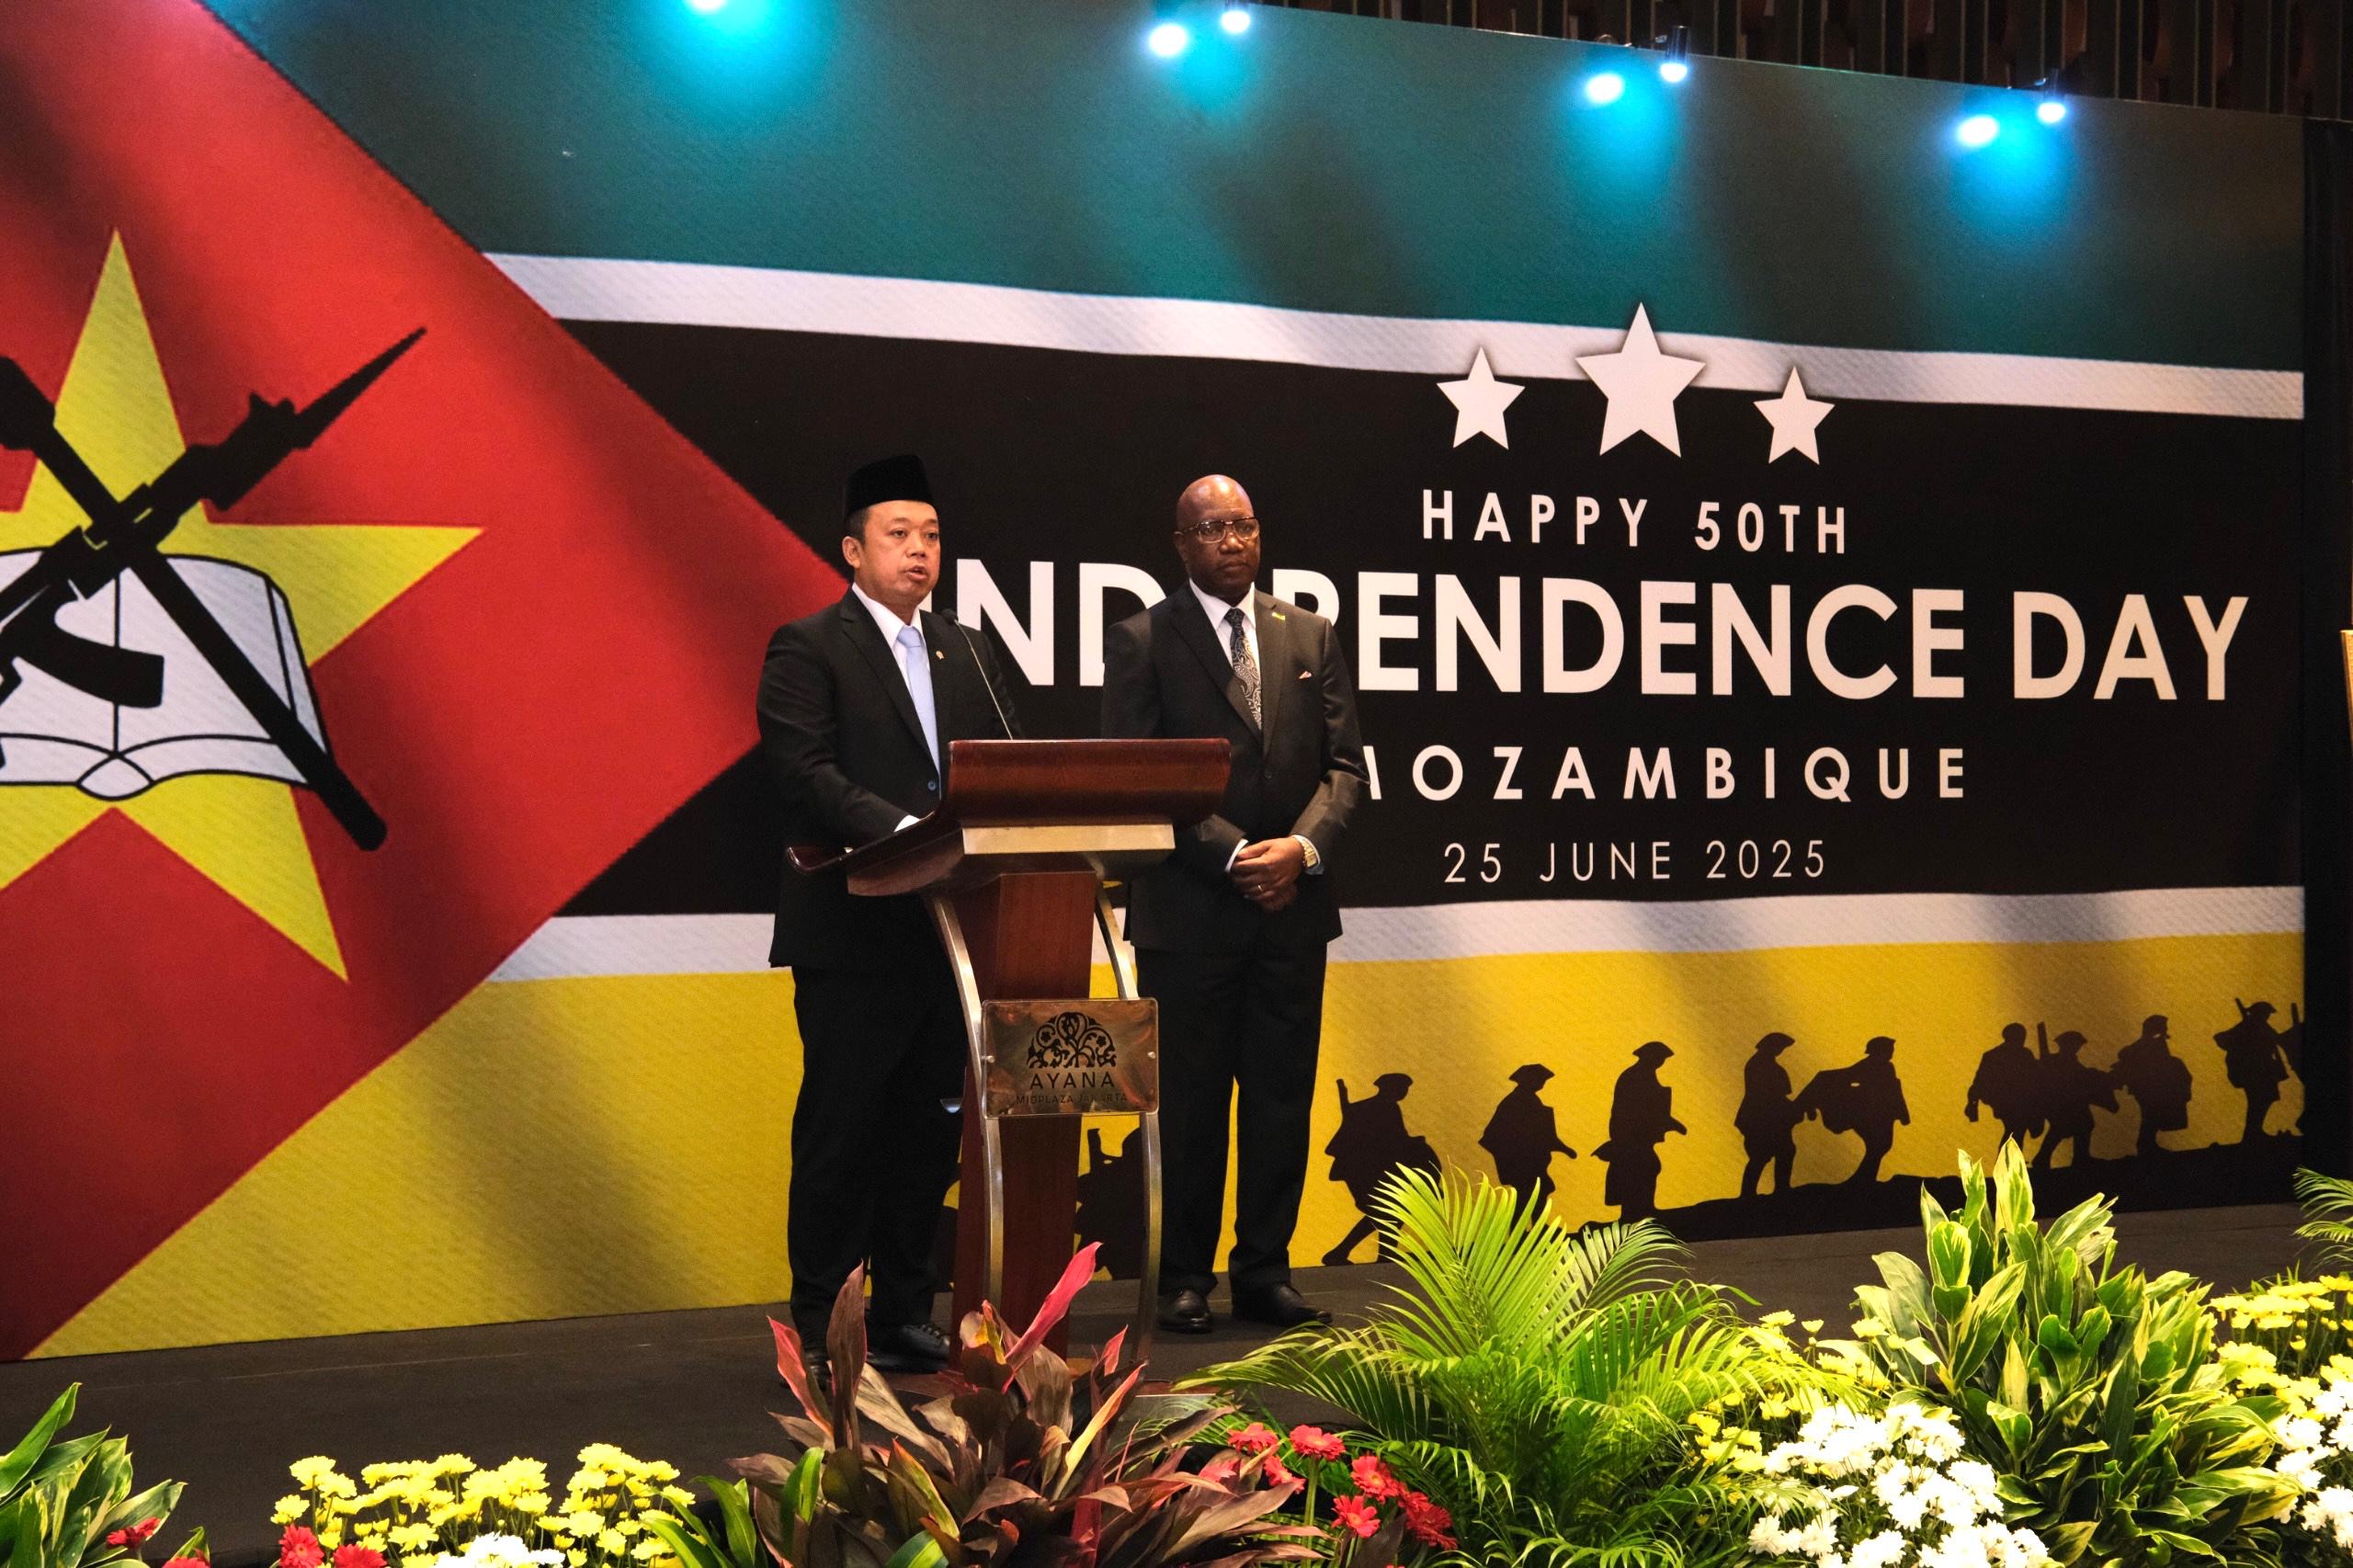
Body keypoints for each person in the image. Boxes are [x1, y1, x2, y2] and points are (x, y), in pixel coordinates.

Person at [757, 454, 1021, 1381]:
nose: (919, 551)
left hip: (948, 934)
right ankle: (824, 1321)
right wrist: (909, 833)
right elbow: (805, 773)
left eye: (932, 536)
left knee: (924, 1129)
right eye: (899, 534)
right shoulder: (808, 646)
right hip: (853, 928)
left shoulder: (968, 650)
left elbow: (1004, 759)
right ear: (852, 550)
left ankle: (907, 1308)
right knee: (845, 1125)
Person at [1102, 473, 1367, 1334]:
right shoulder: (1143, 640)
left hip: (1292, 910)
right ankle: (1184, 1277)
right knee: (1191, 1104)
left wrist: (1302, 850)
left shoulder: (1309, 632)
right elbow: (1138, 777)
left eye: (1244, 525)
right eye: (1212, 528)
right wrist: (1234, 852)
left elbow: (1346, 769)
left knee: (1281, 1100)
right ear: (1181, 545)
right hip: (1189, 915)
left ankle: (1265, 1272)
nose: (1233, 541)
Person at [1323, 1074, 1440, 1264]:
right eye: (1402, 1088)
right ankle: (1373, 1254)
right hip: (1367, 1170)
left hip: (1363, 1169)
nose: (1404, 1092)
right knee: (1389, 1210)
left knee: (1384, 1212)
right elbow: (1394, 1141)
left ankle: (1349, 1252)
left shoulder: (1368, 1107)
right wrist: (1416, 1144)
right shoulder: (1386, 1108)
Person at [1799, 1036, 1909, 1185]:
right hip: (1870, 1113)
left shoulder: (1887, 1067)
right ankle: (1865, 1179)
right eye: (1889, 1049)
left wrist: (1902, 1113)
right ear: (1879, 1051)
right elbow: (1843, 1076)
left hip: (1882, 1113)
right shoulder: (1869, 1065)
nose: (1891, 1052)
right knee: (1879, 1145)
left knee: (1880, 1146)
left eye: (1892, 1049)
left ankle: (1865, 1178)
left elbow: (1893, 1090)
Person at [1596, 1041, 1685, 1220]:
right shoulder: (1633, 1076)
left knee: (1646, 1167)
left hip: (1640, 1136)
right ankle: (1634, 1212)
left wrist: (1668, 1122)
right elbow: (1633, 1109)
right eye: (1660, 1057)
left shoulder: (1645, 1075)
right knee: (1640, 1168)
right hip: (1631, 1136)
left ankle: (1643, 1208)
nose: (1661, 1061)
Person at [1480, 1063, 1577, 1215]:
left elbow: (1545, 1134)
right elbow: (1495, 1134)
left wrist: (1564, 1149)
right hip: (1522, 1163)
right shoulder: (1515, 1102)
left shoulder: (1530, 1100)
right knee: (1530, 1194)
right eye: (1540, 1079)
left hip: (1532, 1162)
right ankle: (1525, 1225)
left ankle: (1534, 1224)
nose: (1542, 1083)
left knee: (1537, 1192)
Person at [2030, 1028, 2116, 1170]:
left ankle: (2070, 1157)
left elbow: (2082, 1075)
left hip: (2071, 1103)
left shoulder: (2067, 1060)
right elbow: (2074, 1077)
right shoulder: (2057, 1061)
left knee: (2075, 1127)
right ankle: (2047, 1157)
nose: (2078, 1047)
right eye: (2076, 1044)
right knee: (2065, 1128)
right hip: (2062, 1103)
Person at [2111, 1014, 2193, 1156]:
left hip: (2154, 1085)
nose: (2165, 1029)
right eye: (2163, 1027)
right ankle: (2145, 1145)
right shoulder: (2146, 1044)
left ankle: (2148, 1144)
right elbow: (2129, 1055)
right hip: (2148, 1087)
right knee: (2150, 1115)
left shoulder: (2152, 1042)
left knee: (2152, 1116)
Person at [2215, 1000, 2293, 1143]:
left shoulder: (2260, 1026)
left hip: (2263, 1071)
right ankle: (2253, 1133)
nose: (2267, 1016)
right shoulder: (2247, 1026)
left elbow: (2277, 1039)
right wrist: (2247, 1045)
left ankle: (2254, 1131)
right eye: (2266, 1013)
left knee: (2263, 1100)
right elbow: (2220, 1038)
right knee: (2258, 1101)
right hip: (2254, 1072)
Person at [1733, 1032, 1801, 1199]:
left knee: (1781, 1152)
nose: (1780, 1050)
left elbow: (1779, 1096)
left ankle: (1778, 1189)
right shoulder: (1761, 1066)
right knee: (1763, 1155)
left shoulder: (1766, 1065)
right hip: (1761, 1118)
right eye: (1780, 1047)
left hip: (1768, 1118)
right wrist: (1794, 1108)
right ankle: (1751, 1194)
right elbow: (1770, 1095)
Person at [1966, 1023, 2043, 1156]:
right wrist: (1973, 1102)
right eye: (2019, 1037)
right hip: (2003, 1101)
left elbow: (2034, 1074)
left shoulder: (2024, 1054)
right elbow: (1980, 1080)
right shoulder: (1995, 1056)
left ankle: (2010, 1161)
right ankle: (2007, 1161)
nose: (2022, 1039)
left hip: (2019, 1100)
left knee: (2017, 1130)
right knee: (2016, 1129)